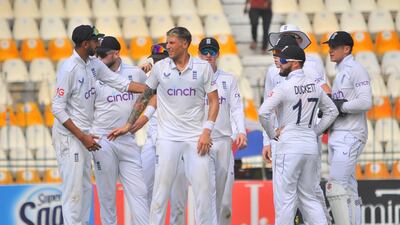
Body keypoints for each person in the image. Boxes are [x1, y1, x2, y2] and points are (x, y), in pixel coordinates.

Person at [107, 27, 220, 225]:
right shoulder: (160, 69)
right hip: (167, 138)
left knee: (203, 193)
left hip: (196, 138)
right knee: (159, 194)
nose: (167, 46)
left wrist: (207, 130)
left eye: (171, 43)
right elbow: (146, 96)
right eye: (167, 42)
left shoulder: (202, 68)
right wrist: (129, 124)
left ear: (185, 44)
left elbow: (214, 101)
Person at [51, 25, 147, 225]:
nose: (99, 44)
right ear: (86, 44)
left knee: (85, 188)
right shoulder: (69, 69)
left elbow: (120, 83)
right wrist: (82, 136)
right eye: (96, 41)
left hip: (84, 135)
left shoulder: (92, 64)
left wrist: (153, 89)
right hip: (71, 137)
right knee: (74, 190)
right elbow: (57, 108)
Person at [168, 37, 247, 225]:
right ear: (199, 54)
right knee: (205, 194)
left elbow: (236, 107)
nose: (208, 56)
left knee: (224, 199)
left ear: (218, 54)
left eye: (212, 52)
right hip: (200, 142)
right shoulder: (190, 77)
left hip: (223, 141)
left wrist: (241, 131)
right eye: (205, 52)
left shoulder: (229, 79)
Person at [258, 45, 338, 225]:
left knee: (286, 200)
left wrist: (272, 134)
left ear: (294, 63)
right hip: (310, 145)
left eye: (283, 60)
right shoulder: (315, 86)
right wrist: (314, 132)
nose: (279, 63)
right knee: (309, 197)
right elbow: (332, 111)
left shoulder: (284, 87)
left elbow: (263, 112)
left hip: (290, 145)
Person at [91, 36, 149, 225]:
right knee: (107, 194)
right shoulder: (93, 75)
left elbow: (151, 94)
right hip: (103, 140)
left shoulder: (135, 73)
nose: (98, 58)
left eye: (102, 54)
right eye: (97, 54)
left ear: (116, 53)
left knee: (139, 191)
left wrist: (139, 121)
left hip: (127, 139)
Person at [322, 31, 372, 225]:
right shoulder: (341, 71)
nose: (330, 50)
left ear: (347, 49)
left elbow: (366, 102)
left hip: (351, 135)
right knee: (349, 188)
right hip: (340, 134)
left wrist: (341, 106)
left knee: (336, 185)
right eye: (329, 47)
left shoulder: (356, 69)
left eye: (334, 47)